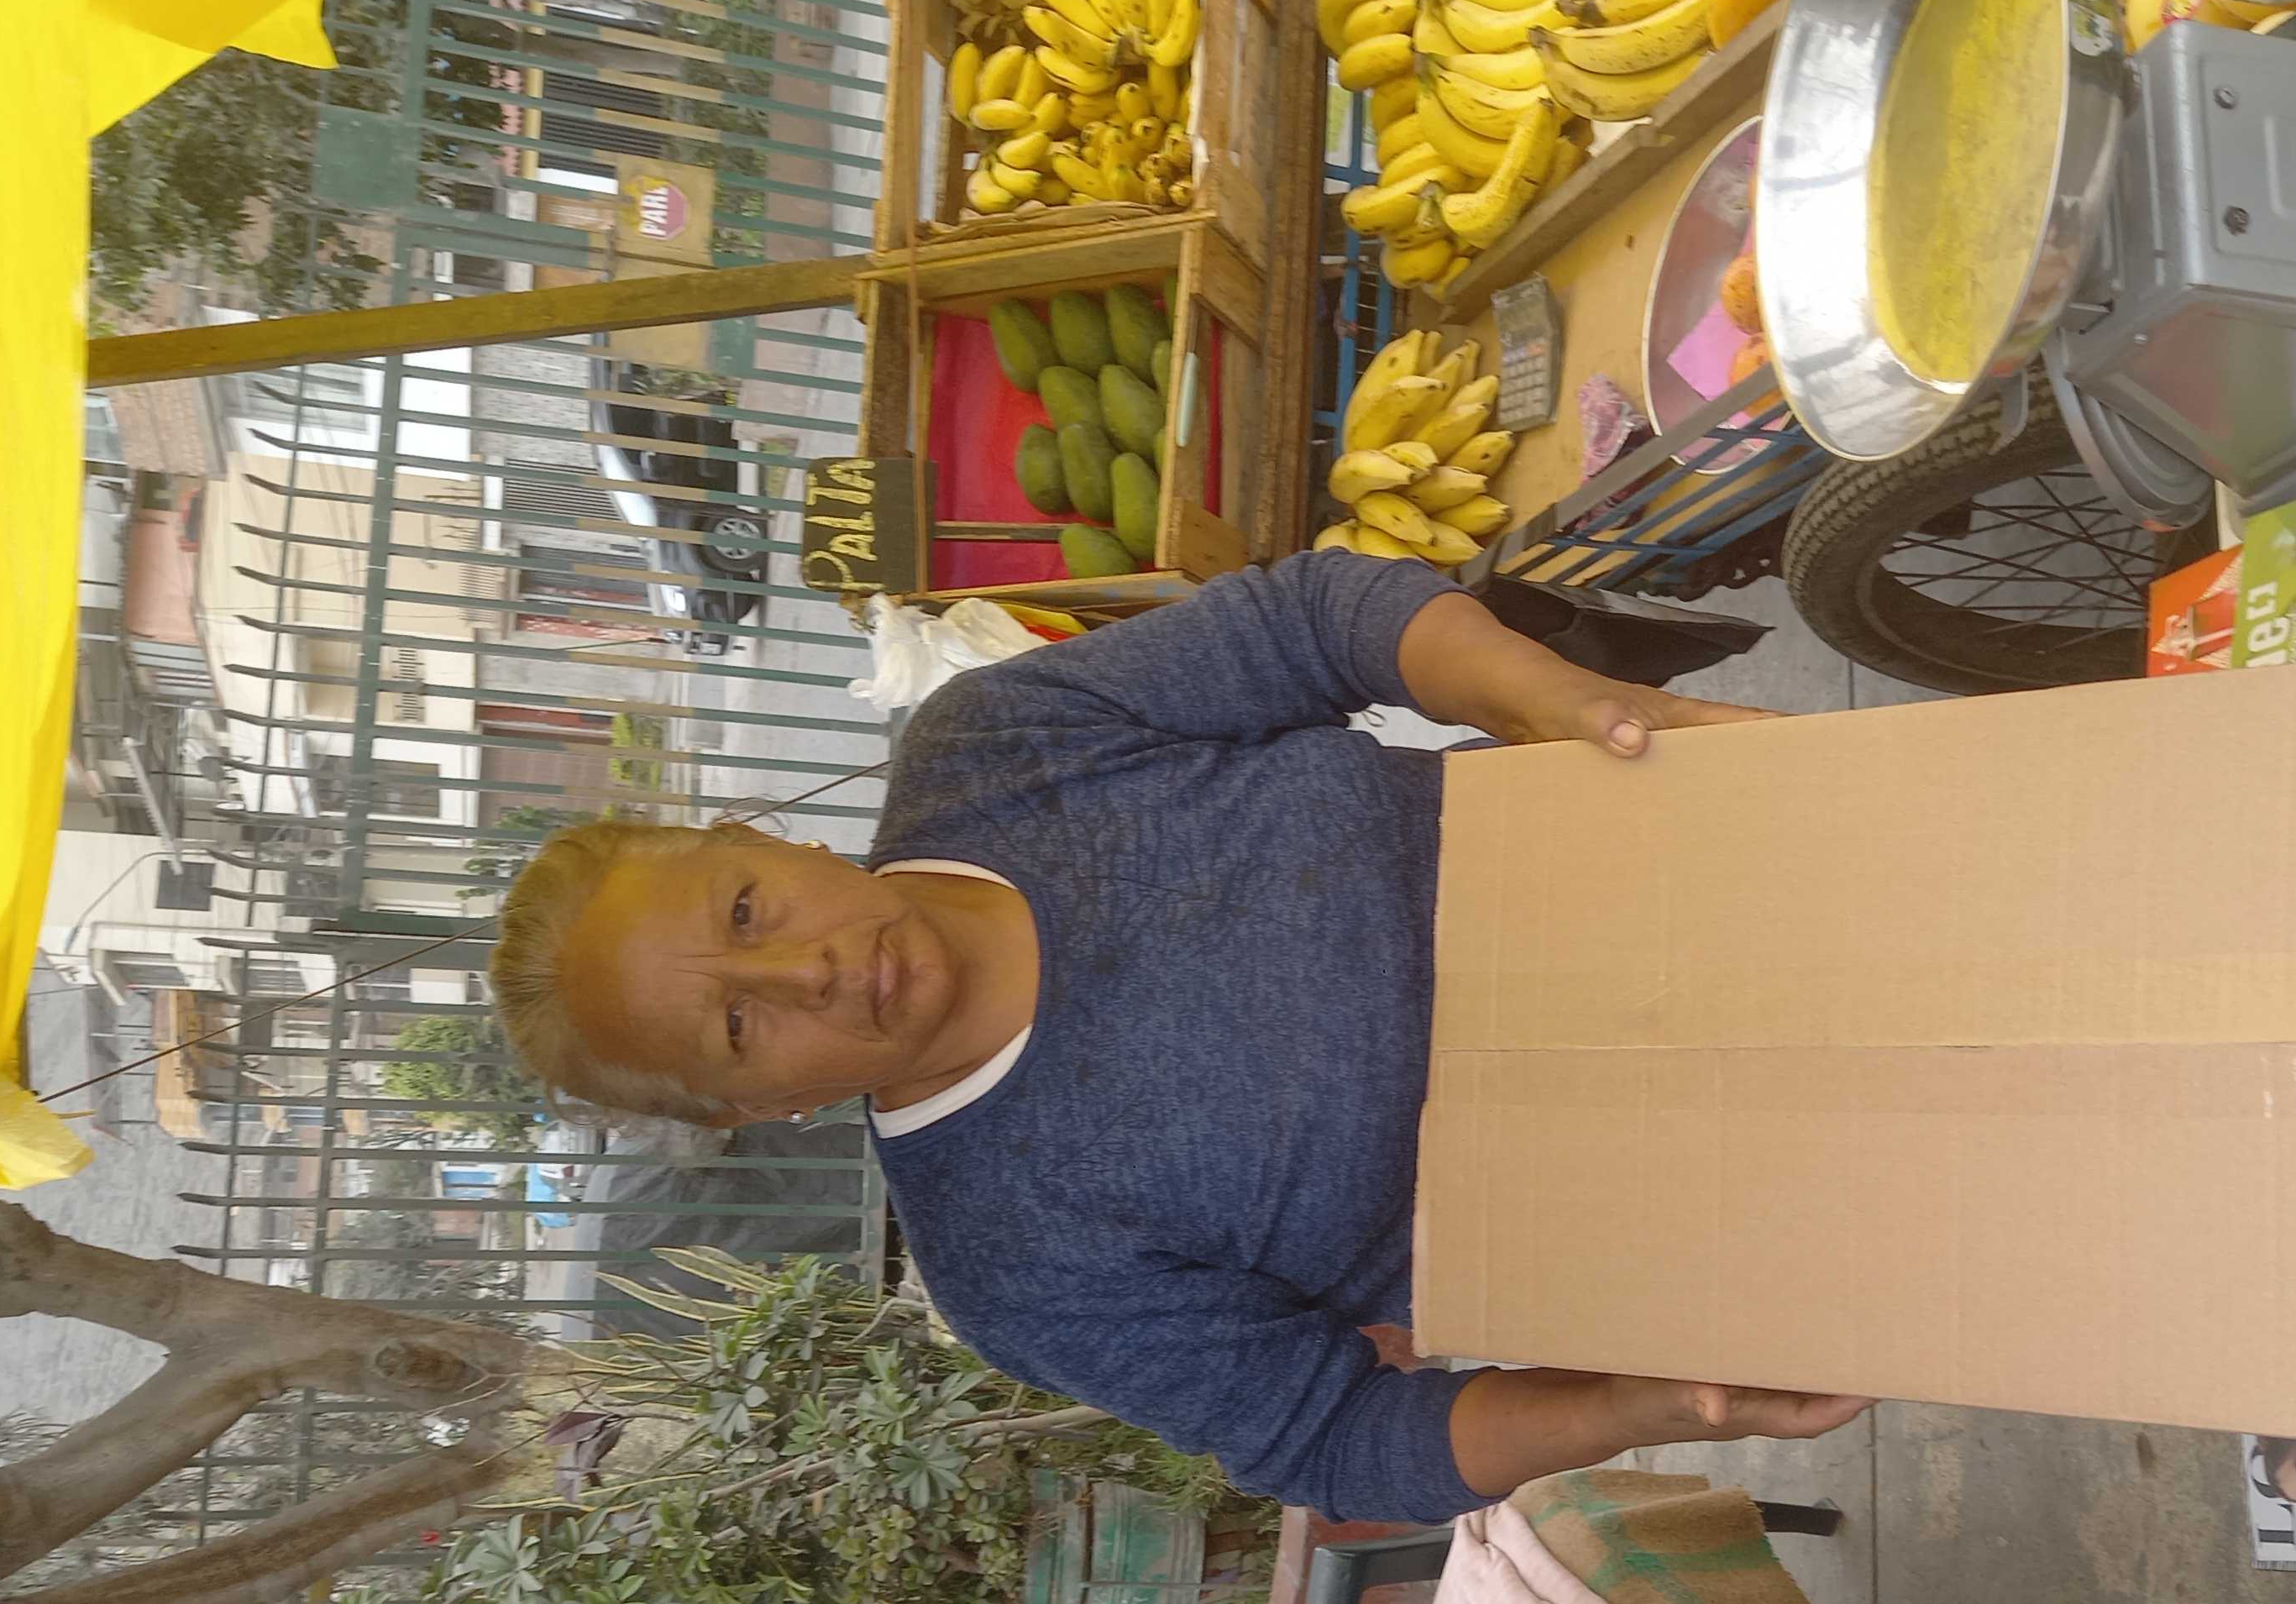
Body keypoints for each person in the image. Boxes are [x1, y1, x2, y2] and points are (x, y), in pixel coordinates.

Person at [487, 554, 1874, 1524]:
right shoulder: (1015, 1267)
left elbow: (1313, 623)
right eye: (739, 1027)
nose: (813, 969)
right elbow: (1334, 1437)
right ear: (750, 1114)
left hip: (1740, 871)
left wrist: (1554, 703)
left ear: (762, 837)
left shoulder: (997, 748)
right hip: (1748, 1208)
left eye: (747, 907)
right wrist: (1653, 1402)